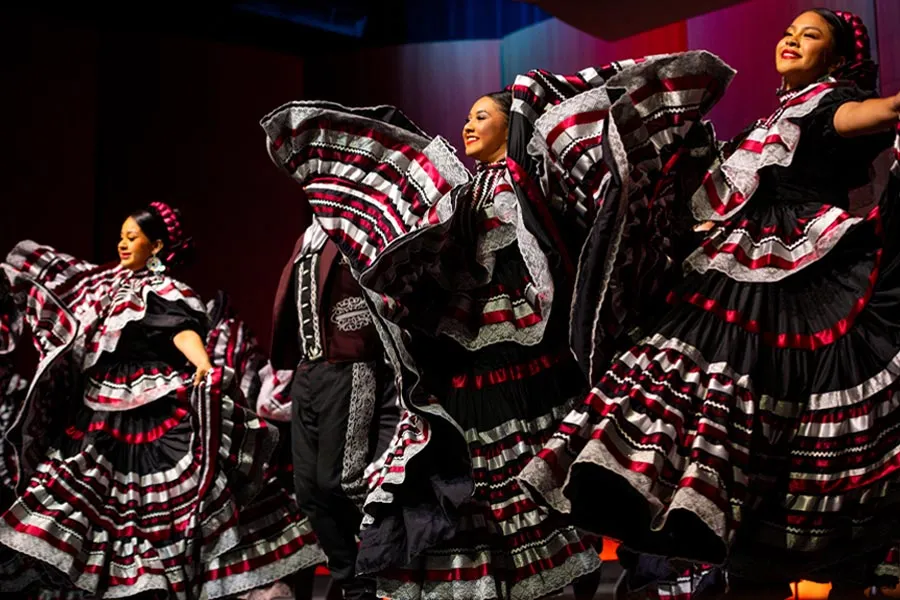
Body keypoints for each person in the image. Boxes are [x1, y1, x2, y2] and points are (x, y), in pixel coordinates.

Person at [513, 8, 900, 598]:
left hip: (788, 270)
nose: (792, 39)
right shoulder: (772, 118)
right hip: (728, 270)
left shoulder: (831, 103)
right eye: (789, 31)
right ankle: (708, 526)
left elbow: (882, 112)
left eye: (811, 35)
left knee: (760, 393)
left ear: (839, 56)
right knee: (707, 389)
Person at [260, 88, 605, 597]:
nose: (468, 125)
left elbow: (555, 251)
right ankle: (500, 579)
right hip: (465, 354)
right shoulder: (457, 193)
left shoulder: (526, 185)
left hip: (524, 352)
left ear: (509, 129)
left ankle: (573, 565)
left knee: (534, 462)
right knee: (479, 468)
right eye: (466, 117)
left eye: (481, 117)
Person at [0, 202, 324, 599]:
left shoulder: (164, 290)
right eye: (121, 236)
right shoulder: (106, 284)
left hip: (151, 406)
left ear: (155, 246)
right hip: (99, 411)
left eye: (132, 238)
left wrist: (203, 362)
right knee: (94, 502)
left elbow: (180, 330)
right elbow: (66, 289)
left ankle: (164, 582)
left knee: (153, 506)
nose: (122, 244)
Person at [267, 220, 400, 600]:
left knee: (342, 479)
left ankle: (387, 567)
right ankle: (352, 582)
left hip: (349, 363)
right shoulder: (305, 236)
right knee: (307, 490)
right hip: (309, 370)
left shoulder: (357, 229)